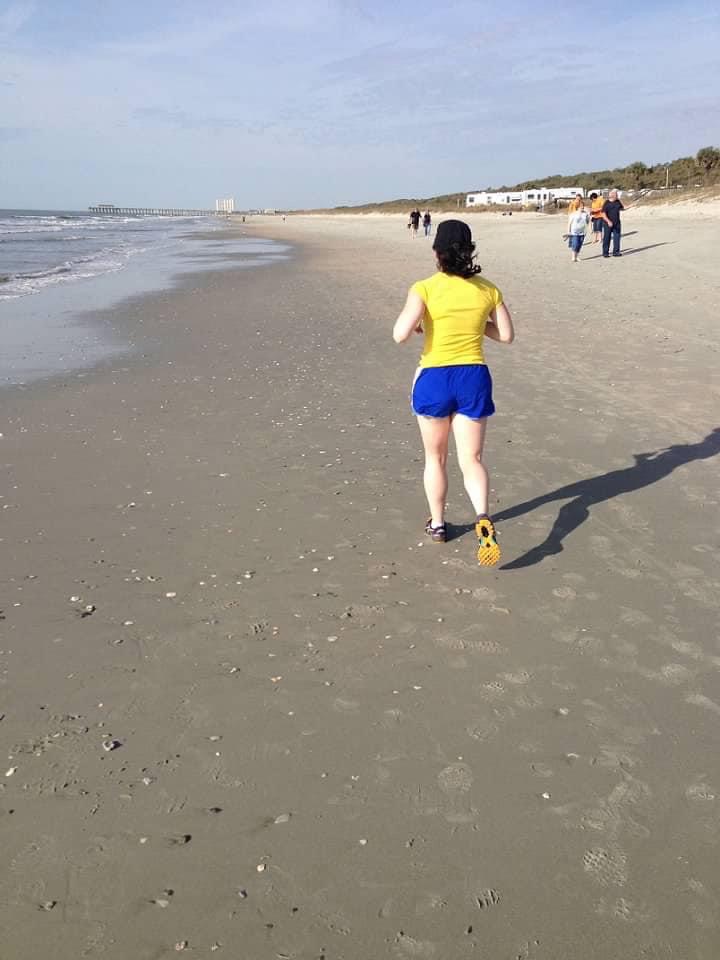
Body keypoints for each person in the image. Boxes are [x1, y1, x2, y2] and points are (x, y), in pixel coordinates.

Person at [392, 220, 515, 566]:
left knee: (436, 458)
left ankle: (439, 524)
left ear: (437, 253)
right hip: (473, 377)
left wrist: (424, 323)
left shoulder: (425, 288)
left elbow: (400, 334)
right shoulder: (488, 289)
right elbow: (505, 335)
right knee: (472, 459)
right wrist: (476, 324)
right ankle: (483, 519)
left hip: (435, 377)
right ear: (469, 250)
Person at [601, 189, 625, 257]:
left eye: (617, 194)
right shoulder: (606, 203)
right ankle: (605, 253)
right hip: (607, 224)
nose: (617, 195)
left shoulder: (618, 202)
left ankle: (616, 252)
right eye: (616, 194)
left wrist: (631, 206)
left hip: (617, 223)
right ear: (611, 195)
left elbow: (622, 208)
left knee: (617, 238)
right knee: (607, 238)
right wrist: (608, 221)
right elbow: (603, 214)